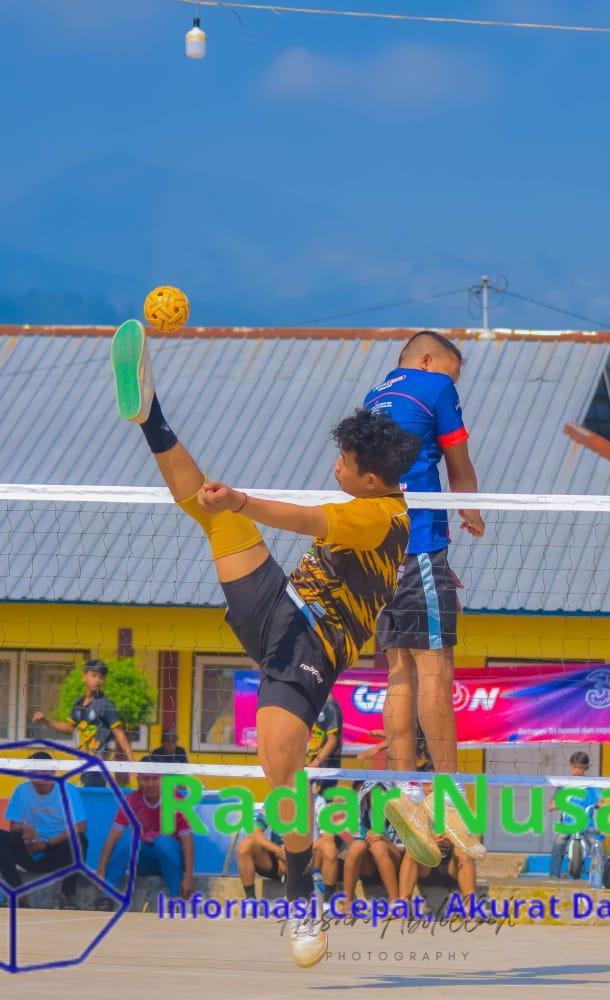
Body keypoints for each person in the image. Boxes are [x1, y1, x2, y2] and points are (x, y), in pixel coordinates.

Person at [113, 316, 418, 967]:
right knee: (204, 504)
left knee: (278, 767)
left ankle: (304, 898)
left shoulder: (376, 515)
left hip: (308, 648)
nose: (335, 466)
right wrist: (230, 504)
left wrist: (245, 500)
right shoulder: (369, 494)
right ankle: (149, 413)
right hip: (275, 604)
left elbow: (304, 517)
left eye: (344, 461)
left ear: (369, 479)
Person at [362, 332, 486, 864]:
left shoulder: (375, 395)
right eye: (453, 374)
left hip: (375, 547)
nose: (452, 384)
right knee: (437, 668)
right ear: (432, 362)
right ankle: (449, 798)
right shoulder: (434, 385)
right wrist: (474, 511)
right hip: (418, 542)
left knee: (398, 672)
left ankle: (408, 794)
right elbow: (457, 463)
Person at [0, 752, 88, 908]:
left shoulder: (68, 790)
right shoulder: (21, 791)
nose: (40, 774)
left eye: (44, 770)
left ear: (53, 772)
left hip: (57, 852)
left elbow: (80, 827)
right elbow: (13, 827)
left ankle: (67, 896)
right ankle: (17, 892)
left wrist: (47, 844)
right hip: (30, 850)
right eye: (35, 770)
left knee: (80, 840)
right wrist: (24, 829)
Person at [95, 754, 195, 899]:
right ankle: (106, 896)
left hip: (168, 861)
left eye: (155, 778)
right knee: (127, 840)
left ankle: (176, 897)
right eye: (145, 778)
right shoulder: (131, 800)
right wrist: (101, 869)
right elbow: (113, 837)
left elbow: (188, 841)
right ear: (138, 780)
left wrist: (189, 877)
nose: (150, 783)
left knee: (164, 842)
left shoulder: (176, 800)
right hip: (142, 862)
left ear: (163, 779)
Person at [31, 659, 133, 787]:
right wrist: (46, 721)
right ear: (84, 677)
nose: (97, 680)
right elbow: (69, 728)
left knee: (82, 795)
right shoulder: (78, 703)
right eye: (94, 675)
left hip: (97, 763)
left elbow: (119, 733)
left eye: (101, 677)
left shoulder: (106, 705)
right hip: (82, 761)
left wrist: (132, 762)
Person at [343, 779, 404, 902]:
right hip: (369, 868)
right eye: (372, 793)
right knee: (356, 847)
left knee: (379, 846)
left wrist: (383, 839)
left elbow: (403, 851)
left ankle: (395, 903)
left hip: (395, 862)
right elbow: (359, 840)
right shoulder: (361, 812)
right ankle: (347, 902)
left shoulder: (399, 813)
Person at [548, 751, 602, 879]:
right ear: (570, 766)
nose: (577, 770)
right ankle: (553, 876)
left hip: (586, 824)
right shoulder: (564, 785)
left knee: (597, 846)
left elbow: (601, 801)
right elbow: (551, 806)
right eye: (574, 767)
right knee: (558, 844)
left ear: (586, 768)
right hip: (567, 824)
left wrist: (603, 804)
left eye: (580, 768)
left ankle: (599, 875)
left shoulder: (592, 785)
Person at [236, 803, 285, 900]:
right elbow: (255, 832)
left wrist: (291, 856)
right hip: (278, 858)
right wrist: (279, 852)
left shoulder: (314, 800)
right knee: (245, 845)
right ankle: (250, 899)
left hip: (304, 860)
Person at [307, 695, 344, 793]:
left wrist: (315, 764)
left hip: (326, 762)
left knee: (323, 801)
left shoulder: (330, 706)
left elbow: (332, 740)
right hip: (315, 762)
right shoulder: (316, 704)